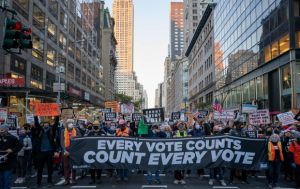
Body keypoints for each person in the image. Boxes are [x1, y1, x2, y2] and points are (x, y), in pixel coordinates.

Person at [32, 116, 59, 187]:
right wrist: (35, 116)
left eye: (47, 123)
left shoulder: (52, 130)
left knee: (50, 167)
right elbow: (37, 124)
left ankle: (49, 181)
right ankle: (38, 182)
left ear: (49, 124)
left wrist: (57, 115)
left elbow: (56, 123)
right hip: (41, 152)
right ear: (43, 124)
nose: (46, 124)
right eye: (44, 123)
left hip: (50, 152)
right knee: (40, 168)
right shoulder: (40, 130)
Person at [0, 124, 23, 189]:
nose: (1, 131)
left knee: (6, 179)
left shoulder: (12, 138)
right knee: (0, 180)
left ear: (6, 130)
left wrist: (12, 150)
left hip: (9, 162)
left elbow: (20, 145)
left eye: (2, 130)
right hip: (0, 163)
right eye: (0, 130)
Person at [60, 119, 81, 185]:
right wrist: (64, 150)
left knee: (73, 166)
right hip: (66, 150)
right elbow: (62, 141)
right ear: (66, 124)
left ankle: (73, 179)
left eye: (72, 122)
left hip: (74, 150)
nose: (70, 124)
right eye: (69, 123)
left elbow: (80, 138)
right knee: (66, 166)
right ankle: (67, 180)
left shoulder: (76, 130)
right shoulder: (63, 131)